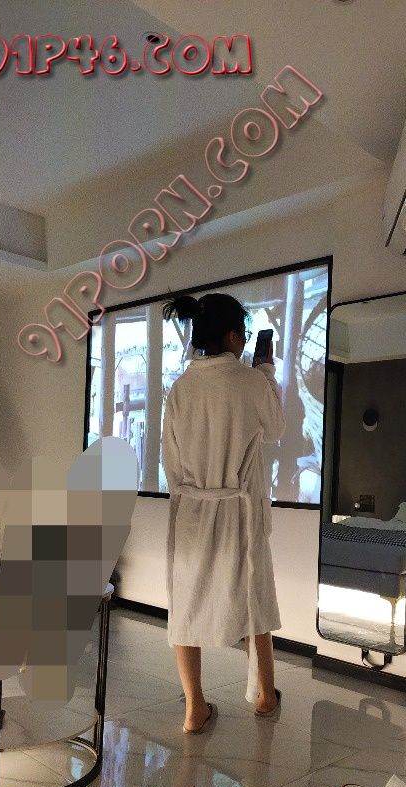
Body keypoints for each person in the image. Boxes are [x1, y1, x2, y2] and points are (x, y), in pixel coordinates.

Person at [161, 293, 286, 733]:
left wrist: (190, 496)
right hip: (239, 514)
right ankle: (265, 696)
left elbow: (171, 461)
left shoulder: (180, 388)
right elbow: (276, 428)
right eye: (244, 334)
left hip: (192, 512)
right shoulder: (250, 382)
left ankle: (194, 708)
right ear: (234, 336)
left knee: (185, 607)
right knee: (254, 598)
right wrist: (266, 372)